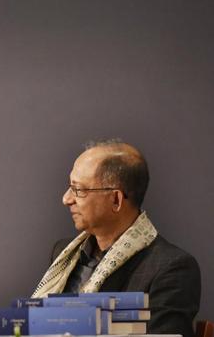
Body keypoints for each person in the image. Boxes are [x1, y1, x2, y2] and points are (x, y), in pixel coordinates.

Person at [32, 139, 200, 337]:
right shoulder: (63, 254)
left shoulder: (170, 268)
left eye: (78, 190)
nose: (66, 199)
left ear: (115, 199)